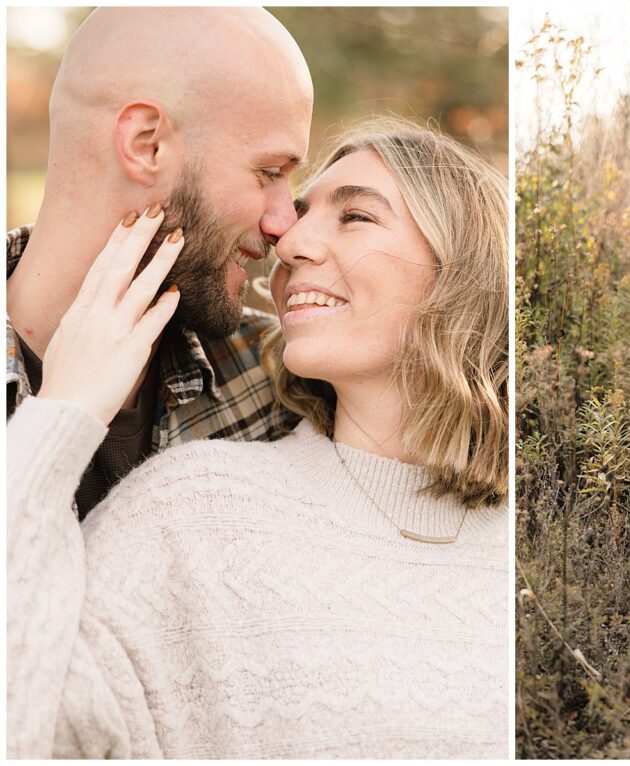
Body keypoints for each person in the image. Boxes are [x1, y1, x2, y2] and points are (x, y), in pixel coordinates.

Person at [7, 120, 509, 758]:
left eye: (355, 216)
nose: (290, 242)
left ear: (464, 269)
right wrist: (63, 415)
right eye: (298, 214)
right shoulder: (191, 511)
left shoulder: (523, 525)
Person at [7, 8, 313, 518]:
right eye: (268, 172)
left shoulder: (276, 382)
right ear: (145, 145)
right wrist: (63, 421)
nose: (285, 223)